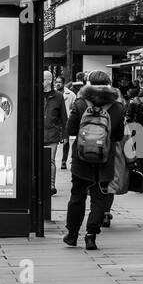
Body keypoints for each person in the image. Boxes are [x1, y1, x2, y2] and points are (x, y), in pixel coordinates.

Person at [63, 70, 125, 251]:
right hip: (105, 158)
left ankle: (72, 234)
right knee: (99, 197)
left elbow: (71, 129)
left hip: (81, 158)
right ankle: (91, 236)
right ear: (109, 85)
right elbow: (118, 135)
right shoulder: (117, 107)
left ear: (88, 84)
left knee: (77, 195)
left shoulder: (81, 103)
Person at [42, 71, 67, 206]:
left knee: (50, 160)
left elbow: (64, 117)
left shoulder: (58, 96)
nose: (42, 81)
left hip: (52, 133)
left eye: (45, 79)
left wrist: (65, 135)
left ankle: (51, 185)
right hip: (38, 133)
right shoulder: (36, 94)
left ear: (50, 80)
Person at [60, 74, 84, 169]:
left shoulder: (71, 93)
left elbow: (74, 108)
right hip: (58, 120)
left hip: (67, 119)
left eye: (59, 82)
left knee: (66, 141)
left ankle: (64, 160)